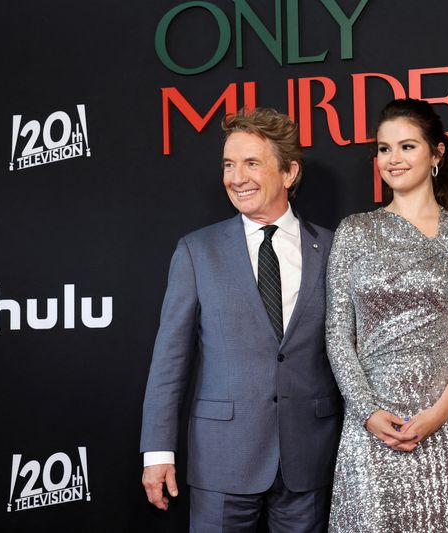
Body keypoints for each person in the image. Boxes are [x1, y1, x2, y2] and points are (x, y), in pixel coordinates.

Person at [139, 107, 342, 533]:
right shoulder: (198, 251)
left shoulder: (334, 248)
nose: (236, 177)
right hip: (222, 458)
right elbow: (169, 361)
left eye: (252, 163)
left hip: (310, 457)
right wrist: (158, 453)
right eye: (229, 165)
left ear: (289, 173)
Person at [325, 98, 448, 532]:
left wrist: (439, 413)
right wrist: (365, 410)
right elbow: (338, 333)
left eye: (407, 147)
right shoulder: (354, 231)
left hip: (447, 420)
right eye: (384, 149)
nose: (393, 159)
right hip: (372, 420)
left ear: (436, 154)